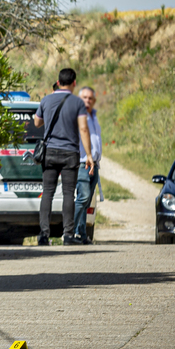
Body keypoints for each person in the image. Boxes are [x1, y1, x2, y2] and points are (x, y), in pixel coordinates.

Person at [33, 68, 94, 246]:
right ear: (74, 83)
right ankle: (68, 235)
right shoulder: (77, 103)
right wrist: (89, 155)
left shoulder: (46, 99)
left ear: (58, 82)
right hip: (70, 153)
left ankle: (43, 235)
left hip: (50, 152)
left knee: (48, 193)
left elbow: (37, 122)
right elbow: (83, 128)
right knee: (69, 194)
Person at [72, 87, 101, 244]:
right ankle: (68, 232)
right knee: (82, 197)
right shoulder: (77, 115)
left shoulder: (93, 116)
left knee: (87, 200)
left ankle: (81, 234)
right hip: (82, 162)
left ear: (94, 101)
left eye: (90, 98)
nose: (87, 101)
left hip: (94, 164)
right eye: (84, 97)